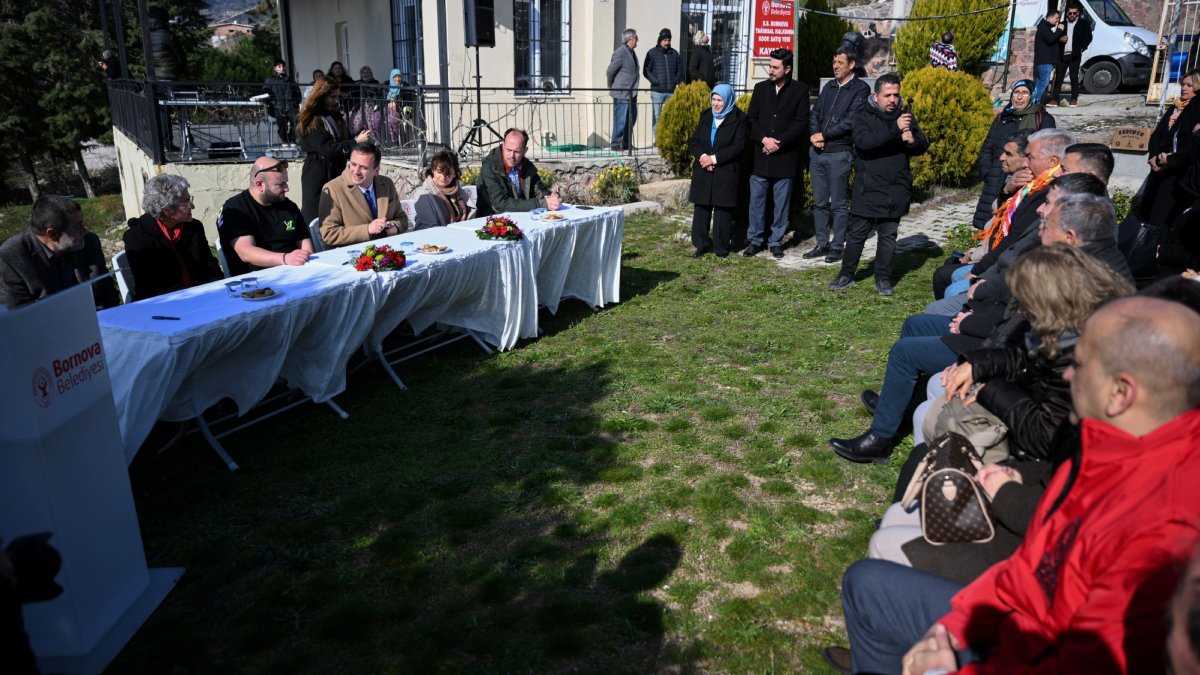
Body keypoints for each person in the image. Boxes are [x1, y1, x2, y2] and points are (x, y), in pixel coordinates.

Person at [839, 294, 1200, 675]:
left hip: (1025, 650)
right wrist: (956, 623)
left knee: (872, 583)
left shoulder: (1164, 530)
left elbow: (1079, 656)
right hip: (1018, 618)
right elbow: (1031, 568)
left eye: (1080, 365)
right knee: (866, 584)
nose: (1066, 375)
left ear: (1121, 393)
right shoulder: (1111, 444)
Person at [868, 243, 1134, 579]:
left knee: (889, 537)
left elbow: (1043, 436)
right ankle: (916, 510)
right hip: (1029, 476)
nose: (1020, 310)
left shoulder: (1085, 359)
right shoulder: (1064, 334)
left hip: (1025, 488)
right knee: (922, 454)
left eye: (1025, 301)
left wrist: (989, 389)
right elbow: (1023, 359)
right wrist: (977, 365)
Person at [829, 73, 927, 295]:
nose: (892, 99)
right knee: (857, 235)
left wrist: (912, 141)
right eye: (888, 95)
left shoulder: (905, 116)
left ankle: (883, 278)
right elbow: (865, 143)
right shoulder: (863, 116)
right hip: (869, 186)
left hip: (895, 188)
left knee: (888, 236)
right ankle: (846, 274)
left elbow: (922, 144)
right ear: (876, 96)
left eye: (896, 94)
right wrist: (895, 129)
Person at [742, 48, 810, 260]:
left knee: (781, 204)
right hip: (761, 155)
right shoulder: (760, 88)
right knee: (757, 202)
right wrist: (764, 139)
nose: (770, 70)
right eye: (770, 66)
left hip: (784, 157)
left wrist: (778, 144)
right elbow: (751, 119)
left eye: (775, 67)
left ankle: (776, 241)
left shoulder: (800, 90)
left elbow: (800, 123)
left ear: (787, 69)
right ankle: (755, 240)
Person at [806, 46, 871, 262]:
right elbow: (815, 112)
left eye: (840, 63)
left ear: (851, 64)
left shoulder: (860, 89)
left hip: (839, 153)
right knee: (820, 202)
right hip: (818, 153)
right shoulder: (829, 87)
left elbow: (851, 121)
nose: (835, 66)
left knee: (839, 204)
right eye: (834, 63)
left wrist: (823, 134)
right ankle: (821, 243)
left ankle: (837, 246)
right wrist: (815, 133)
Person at [0, 195, 120, 310]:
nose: (85, 230)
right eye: (78, 226)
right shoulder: (12, 256)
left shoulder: (89, 241)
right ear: (53, 234)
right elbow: (20, 314)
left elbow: (108, 294)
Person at [970, 79, 1055, 229]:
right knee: (988, 225)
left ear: (1032, 96)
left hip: (1024, 180)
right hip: (996, 178)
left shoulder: (1042, 119)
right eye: (1016, 92)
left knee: (1012, 225)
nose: (1019, 97)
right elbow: (987, 147)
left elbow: (1045, 152)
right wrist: (987, 172)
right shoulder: (1003, 118)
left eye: (1024, 93)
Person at [122, 174, 222, 300]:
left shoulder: (193, 227)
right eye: (186, 202)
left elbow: (210, 266)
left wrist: (220, 290)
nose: (192, 206)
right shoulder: (137, 237)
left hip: (203, 295)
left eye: (190, 199)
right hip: (164, 304)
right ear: (167, 210)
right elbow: (152, 285)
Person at [217, 156, 312, 276]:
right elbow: (246, 252)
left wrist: (307, 265)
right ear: (260, 185)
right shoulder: (235, 209)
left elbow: (306, 245)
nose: (287, 189)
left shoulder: (289, 207)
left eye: (286, 182)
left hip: (295, 272)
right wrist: (286, 259)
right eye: (281, 184)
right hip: (256, 281)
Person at [296, 76, 371, 222]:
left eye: (338, 96)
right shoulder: (312, 120)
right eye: (332, 97)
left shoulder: (334, 117)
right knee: (315, 216)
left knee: (335, 214)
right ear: (321, 96)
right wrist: (355, 141)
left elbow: (342, 141)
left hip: (334, 171)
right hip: (317, 173)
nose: (336, 100)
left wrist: (357, 137)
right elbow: (328, 149)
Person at [687, 84, 749, 258]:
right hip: (703, 168)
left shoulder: (739, 118)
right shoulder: (706, 115)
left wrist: (714, 159)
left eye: (719, 100)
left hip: (726, 170)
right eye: (713, 99)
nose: (715, 104)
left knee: (722, 210)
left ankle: (721, 248)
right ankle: (701, 244)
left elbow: (739, 146)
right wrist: (703, 158)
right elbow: (694, 141)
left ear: (728, 100)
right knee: (701, 208)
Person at [1142, 69, 1200, 234]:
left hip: (1176, 171)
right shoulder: (1173, 108)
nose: (1184, 89)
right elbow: (1157, 135)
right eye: (1183, 85)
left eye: (1190, 85)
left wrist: (1170, 160)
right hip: (1159, 167)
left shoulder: (1193, 111)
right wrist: (1153, 156)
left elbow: (1188, 143)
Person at [317, 142, 408, 247]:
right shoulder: (333, 189)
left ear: (376, 171)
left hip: (388, 251)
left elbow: (402, 218)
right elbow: (328, 234)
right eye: (353, 164)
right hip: (354, 256)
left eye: (363, 167)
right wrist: (367, 230)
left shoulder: (387, 184)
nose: (356, 171)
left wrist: (395, 226)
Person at [477, 128, 561, 215]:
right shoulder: (490, 167)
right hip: (492, 220)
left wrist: (553, 198)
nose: (511, 156)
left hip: (523, 218)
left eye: (517, 152)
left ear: (525, 151)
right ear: (503, 146)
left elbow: (541, 191)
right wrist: (540, 203)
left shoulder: (527, 166)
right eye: (508, 150)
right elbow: (501, 204)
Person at [146, 6, 186, 152]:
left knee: (163, 112)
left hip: (156, 81)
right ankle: (188, 142)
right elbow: (180, 57)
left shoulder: (147, 37)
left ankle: (166, 144)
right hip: (171, 79)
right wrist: (180, 71)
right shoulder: (168, 35)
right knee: (182, 109)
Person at [410, 148, 478, 230]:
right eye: (439, 172)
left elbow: (470, 214)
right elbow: (432, 228)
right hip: (430, 237)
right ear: (432, 171)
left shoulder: (456, 190)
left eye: (448, 173)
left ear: (455, 174)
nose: (443, 177)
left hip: (458, 233)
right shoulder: (423, 194)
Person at [1050, 2, 1093, 107]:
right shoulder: (1062, 24)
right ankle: (1055, 99)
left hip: (1075, 55)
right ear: (1067, 13)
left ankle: (1074, 99)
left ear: (1078, 13)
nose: (1072, 15)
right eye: (1070, 13)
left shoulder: (1083, 24)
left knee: (1074, 78)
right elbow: (1054, 38)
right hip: (1062, 55)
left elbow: (1089, 37)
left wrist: (1082, 48)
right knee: (1059, 78)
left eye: (1074, 13)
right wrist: (1060, 39)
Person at [643, 28, 682, 135]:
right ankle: (657, 140)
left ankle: (668, 140)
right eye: (664, 40)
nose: (667, 43)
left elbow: (680, 70)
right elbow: (646, 70)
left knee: (671, 116)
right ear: (660, 40)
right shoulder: (652, 53)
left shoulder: (674, 54)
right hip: (657, 91)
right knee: (657, 116)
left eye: (668, 40)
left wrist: (676, 81)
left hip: (671, 91)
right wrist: (655, 81)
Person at [607, 29, 640, 151]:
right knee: (620, 120)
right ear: (630, 39)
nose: (637, 41)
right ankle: (615, 144)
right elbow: (610, 72)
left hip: (632, 92)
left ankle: (626, 144)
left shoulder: (631, 52)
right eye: (636, 38)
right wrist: (613, 86)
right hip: (622, 92)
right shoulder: (620, 52)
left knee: (631, 118)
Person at [263, 59, 299, 145]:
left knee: (296, 119)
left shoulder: (289, 79)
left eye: (283, 66)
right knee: (282, 120)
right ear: (275, 68)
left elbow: (297, 92)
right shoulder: (270, 80)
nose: (281, 68)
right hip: (277, 106)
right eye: (279, 66)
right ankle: (285, 140)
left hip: (290, 105)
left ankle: (293, 138)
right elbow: (264, 90)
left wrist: (296, 102)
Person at [1032, 10, 1062, 104]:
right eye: (1056, 18)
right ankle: (1035, 102)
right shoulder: (1043, 27)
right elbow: (1050, 38)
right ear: (1050, 18)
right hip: (1044, 61)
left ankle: (1035, 102)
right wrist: (1059, 30)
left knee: (1040, 83)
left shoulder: (1045, 27)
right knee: (1043, 83)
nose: (1057, 21)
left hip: (1045, 61)